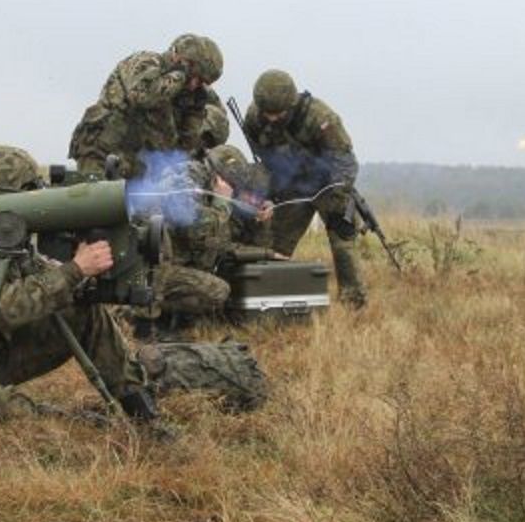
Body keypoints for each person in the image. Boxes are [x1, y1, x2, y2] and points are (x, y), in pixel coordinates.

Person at [0, 145, 268, 436]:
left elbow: (38, 287)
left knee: (83, 312)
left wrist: (71, 272)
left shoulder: (3, 243)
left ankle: (139, 410)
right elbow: (0, 311)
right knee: (10, 415)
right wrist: (74, 269)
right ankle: (72, 426)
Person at [243, 69, 367, 308]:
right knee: (275, 245)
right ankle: (268, 300)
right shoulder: (253, 118)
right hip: (292, 187)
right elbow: (264, 159)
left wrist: (338, 197)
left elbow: (346, 163)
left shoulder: (321, 117)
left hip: (329, 185)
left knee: (342, 236)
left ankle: (353, 303)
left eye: (277, 114)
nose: (271, 120)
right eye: (266, 114)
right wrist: (270, 194)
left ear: (290, 105)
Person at [135, 144, 265, 331]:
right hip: (150, 271)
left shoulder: (196, 178)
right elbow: (199, 233)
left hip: (159, 265)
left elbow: (218, 241)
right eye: (231, 183)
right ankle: (137, 313)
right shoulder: (186, 182)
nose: (232, 190)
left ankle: (163, 315)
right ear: (220, 177)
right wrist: (222, 203)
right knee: (217, 291)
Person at [68, 34, 226, 179]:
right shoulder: (147, 62)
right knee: (98, 204)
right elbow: (145, 97)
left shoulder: (194, 94)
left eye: (201, 82)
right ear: (180, 60)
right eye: (194, 77)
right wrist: (179, 74)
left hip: (139, 163)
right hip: (103, 151)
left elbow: (186, 144)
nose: (193, 85)